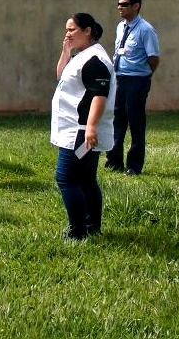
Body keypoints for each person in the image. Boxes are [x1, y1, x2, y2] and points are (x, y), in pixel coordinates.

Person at [51, 13, 116, 240]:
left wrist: (91, 127)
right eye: (66, 30)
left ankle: (77, 232)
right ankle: (91, 227)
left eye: (72, 30)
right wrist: (66, 52)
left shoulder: (95, 60)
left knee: (66, 178)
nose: (67, 34)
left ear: (87, 31)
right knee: (86, 180)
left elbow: (99, 95)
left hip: (81, 132)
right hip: (77, 129)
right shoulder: (82, 56)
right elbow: (61, 77)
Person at [106, 0, 160, 176]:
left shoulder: (146, 30)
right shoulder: (120, 27)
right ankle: (114, 162)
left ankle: (134, 166)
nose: (119, 7)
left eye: (124, 4)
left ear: (136, 6)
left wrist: (145, 75)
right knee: (117, 121)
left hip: (137, 80)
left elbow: (154, 58)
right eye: (118, 4)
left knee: (135, 123)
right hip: (119, 78)